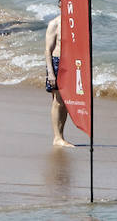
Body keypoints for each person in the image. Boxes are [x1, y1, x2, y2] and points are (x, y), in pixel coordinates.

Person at [43, 14, 73, 147]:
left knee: (65, 102)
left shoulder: (75, 24)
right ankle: (57, 137)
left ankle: (61, 135)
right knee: (58, 100)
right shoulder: (54, 23)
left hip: (70, 63)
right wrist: (51, 73)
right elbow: (47, 50)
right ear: (60, 5)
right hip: (57, 63)